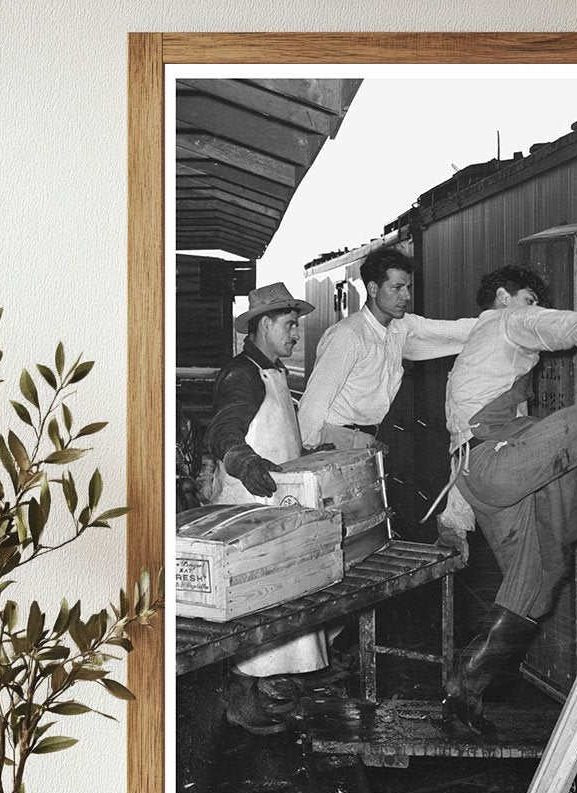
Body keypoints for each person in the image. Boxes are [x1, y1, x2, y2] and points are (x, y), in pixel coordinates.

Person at [437, 265, 577, 735]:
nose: (533, 308)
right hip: (496, 467)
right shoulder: (507, 320)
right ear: (503, 296)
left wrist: (455, 515)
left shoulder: (474, 344)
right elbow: (569, 326)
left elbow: (461, 432)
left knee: (539, 578)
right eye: (528, 298)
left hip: (478, 479)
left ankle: (464, 690)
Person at [203, 282, 328, 735]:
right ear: (263, 325)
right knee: (258, 617)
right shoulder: (241, 374)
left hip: (275, 507)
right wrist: (243, 460)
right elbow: (224, 431)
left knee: (278, 616)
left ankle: (270, 697)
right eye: (290, 324)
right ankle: (244, 706)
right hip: (248, 508)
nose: (297, 332)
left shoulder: (272, 371)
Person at [297, 246, 476, 450]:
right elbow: (314, 401)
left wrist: (504, 321)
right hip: (332, 439)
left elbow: (451, 331)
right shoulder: (348, 335)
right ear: (373, 289)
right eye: (397, 287)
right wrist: (308, 450)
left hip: (364, 438)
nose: (406, 296)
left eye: (407, 287)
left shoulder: (399, 327)